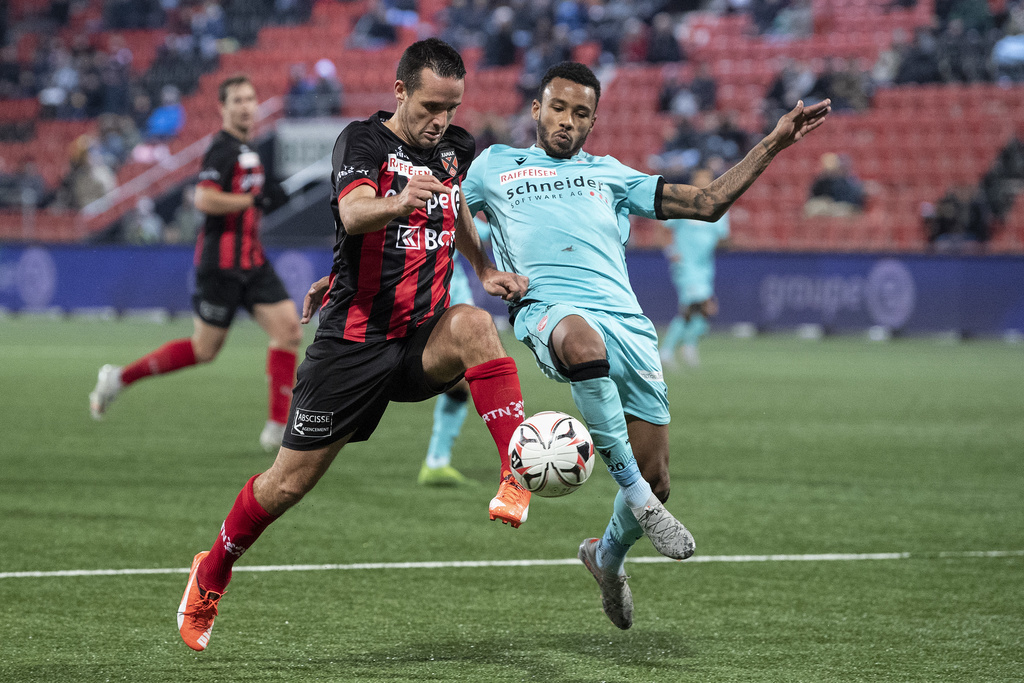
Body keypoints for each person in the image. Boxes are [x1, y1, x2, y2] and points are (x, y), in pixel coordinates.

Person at [176, 39, 534, 652]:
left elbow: (457, 212)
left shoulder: (455, 147)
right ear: (400, 92)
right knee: (285, 486)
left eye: (451, 107)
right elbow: (353, 214)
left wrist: (486, 266)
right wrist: (399, 202)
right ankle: (212, 570)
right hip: (352, 343)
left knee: (476, 324)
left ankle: (516, 470)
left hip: (422, 334)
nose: (440, 120)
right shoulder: (362, 143)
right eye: (429, 106)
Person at [461, 62, 830, 629]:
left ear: (592, 122)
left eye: (580, 113)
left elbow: (706, 202)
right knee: (584, 348)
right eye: (557, 107)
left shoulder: (610, 175)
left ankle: (605, 557)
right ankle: (636, 498)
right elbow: (444, 213)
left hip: (629, 325)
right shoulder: (494, 167)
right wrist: (484, 268)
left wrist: (774, 142)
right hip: (549, 311)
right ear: (536, 110)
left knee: (660, 476)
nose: (567, 121)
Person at [89, 75, 300, 454]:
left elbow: (250, 198)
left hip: (252, 259)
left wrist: (265, 197)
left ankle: (277, 426)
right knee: (204, 350)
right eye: (237, 100)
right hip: (220, 264)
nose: (246, 106)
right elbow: (203, 199)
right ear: (222, 108)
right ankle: (118, 378)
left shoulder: (247, 149)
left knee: (288, 330)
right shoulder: (221, 149)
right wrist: (253, 201)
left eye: (250, 98)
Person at [417, 217, 491, 487]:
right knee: (460, 379)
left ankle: (437, 461)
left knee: (461, 384)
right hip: (428, 301)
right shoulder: (420, 202)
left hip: (457, 302)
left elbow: (477, 230)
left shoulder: (452, 198)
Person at [659, 167, 730, 369]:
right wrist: (671, 251)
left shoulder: (719, 207)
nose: (703, 183)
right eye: (700, 179)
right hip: (685, 266)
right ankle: (666, 351)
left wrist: (711, 245)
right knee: (693, 307)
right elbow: (663, 226)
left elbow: (723, 237)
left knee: (703, 313)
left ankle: (687, 346)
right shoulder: (685, 205)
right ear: (693, 182)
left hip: (704, 267)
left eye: (707, 179)